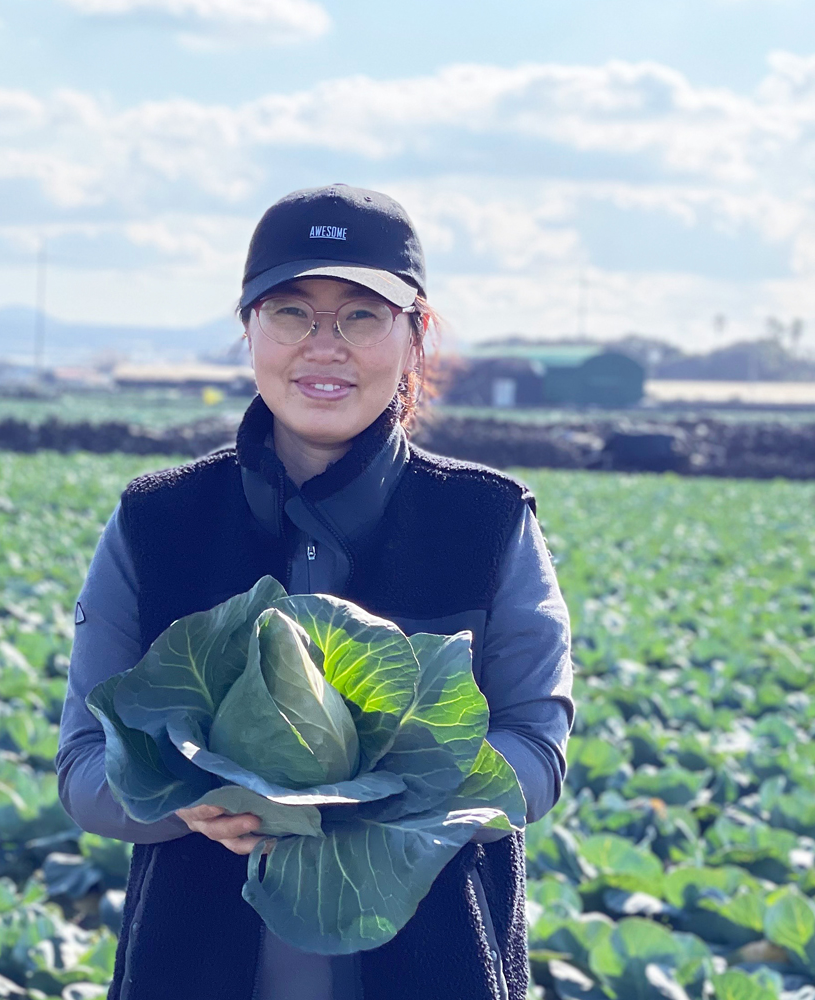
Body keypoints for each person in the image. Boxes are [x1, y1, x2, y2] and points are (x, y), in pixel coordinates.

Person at [55, 183, 575, 1000]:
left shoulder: (487, 521)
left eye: (361, 315)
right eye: (291, 312)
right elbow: (85, 770)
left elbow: (535, 760)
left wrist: (366, 792)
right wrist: (188, 802)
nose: (323, 346)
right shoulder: (156, 522)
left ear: (414, 336)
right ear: (249, 330)